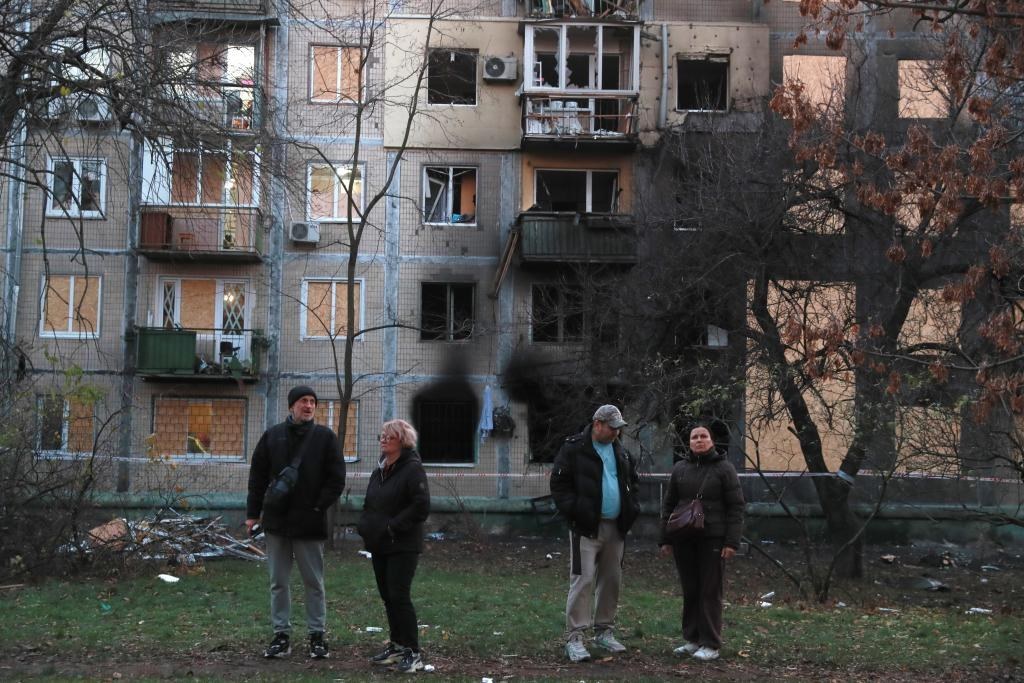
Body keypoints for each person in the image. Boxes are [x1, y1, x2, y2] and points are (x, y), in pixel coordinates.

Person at [246, 385, 346, 659]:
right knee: (278, 582)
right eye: (303, 401)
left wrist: (317, 507)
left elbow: (336, 479)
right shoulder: (272, 436)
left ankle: (317, 635)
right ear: (292, 405)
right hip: (276, 523)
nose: (309, 405)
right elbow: (257, 478)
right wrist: (252, 514)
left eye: (313, 401)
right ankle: (281, 635)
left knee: (314, 582)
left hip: (309, 523)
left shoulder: (325, 438)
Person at [549, 404, 640, 662]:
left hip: (616, 527)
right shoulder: (574, 448)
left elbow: (633, 482)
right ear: (597, 424)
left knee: (611, 579)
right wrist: (576, 511)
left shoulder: (621, 451)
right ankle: (575, 637)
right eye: (612, 428)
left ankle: (604, 631)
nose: (616, 433)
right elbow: (559, 484)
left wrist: (632, 509)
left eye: (618, 429)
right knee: (583, 579)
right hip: (585, 528)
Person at [658, 423, 745, 662]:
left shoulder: (724, 469)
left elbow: (736, 507)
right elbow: (669, 504)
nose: (698, 440)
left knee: (709, 590)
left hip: (713, 538)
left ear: (712, 441)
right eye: (694, 437)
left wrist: (732, 542)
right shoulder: (680, 469)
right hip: (683, 538)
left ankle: (710, 643)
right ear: (689, 442)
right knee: (691, 589)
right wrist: (665, 539)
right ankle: (692, 639)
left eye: (703, 436)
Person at [358, 419, 431, 674]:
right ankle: (397, 645)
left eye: (389, 436)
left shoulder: (412, 469)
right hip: (380, 543)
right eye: (382, 435)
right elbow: (370, 503)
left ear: (402, 440)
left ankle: (413, 652)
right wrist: (365, 525)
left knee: (399, 596)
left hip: (403, 544)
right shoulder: (379, 471)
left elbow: (421, 506)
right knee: (388, 596)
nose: (383, 440)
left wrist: (393, 526)